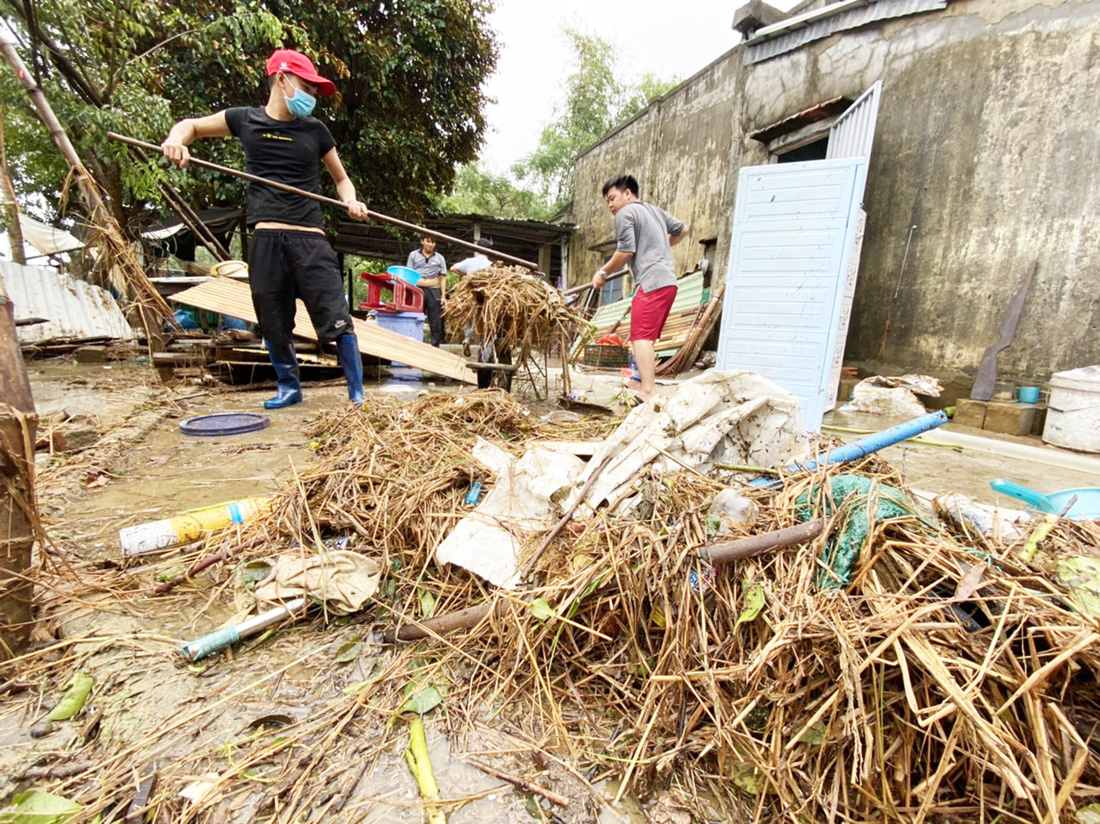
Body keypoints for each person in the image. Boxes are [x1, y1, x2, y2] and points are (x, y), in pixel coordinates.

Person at [161, 48, 370, 408]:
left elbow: (341, 178)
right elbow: (191, 126)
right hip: (266, 239)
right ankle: (289, 387)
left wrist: (351, 200)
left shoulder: (315, 130)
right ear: (283, 79)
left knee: (335, 314)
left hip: (310, 239)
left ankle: (356, 394)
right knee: (272, 317)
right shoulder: (245, 120)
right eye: (308, 86)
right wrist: (176, 141)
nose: (311, 96)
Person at [591, 174, 688, 406]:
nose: (611, 205)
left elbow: (625, 252)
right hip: (668, 282)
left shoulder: (626, 213)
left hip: (651, 281)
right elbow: (683, 229)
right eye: (608, 202)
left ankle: (648, 391)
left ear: (627, 194)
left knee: (641, 336)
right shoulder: (654, 211)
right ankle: (637, 379)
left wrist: (602, 273)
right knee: (644, 336)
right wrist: (659, 245)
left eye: (612, 198)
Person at [449, 240, 494, 357]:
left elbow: (452, 268)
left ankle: (467, 338)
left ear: (477, 249)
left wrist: (466, 275)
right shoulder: (490, 265)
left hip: (470, 294)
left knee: (470, 317)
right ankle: (484, 344)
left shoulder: (469, 262)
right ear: (488, 251)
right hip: (485, 296)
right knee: (483, 320)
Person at [406, 235, 447, 347]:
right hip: (417, 289)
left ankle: (435, 346)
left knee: (435, 320)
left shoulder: (440, 258)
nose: (430, 244)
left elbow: (443, 277)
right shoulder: (413, 255)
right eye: (428, 241)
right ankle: (415, 343)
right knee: (415, 317)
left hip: (433, 290)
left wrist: (443, 296)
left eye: (433, 242)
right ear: (422, 241)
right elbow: (409, 274)